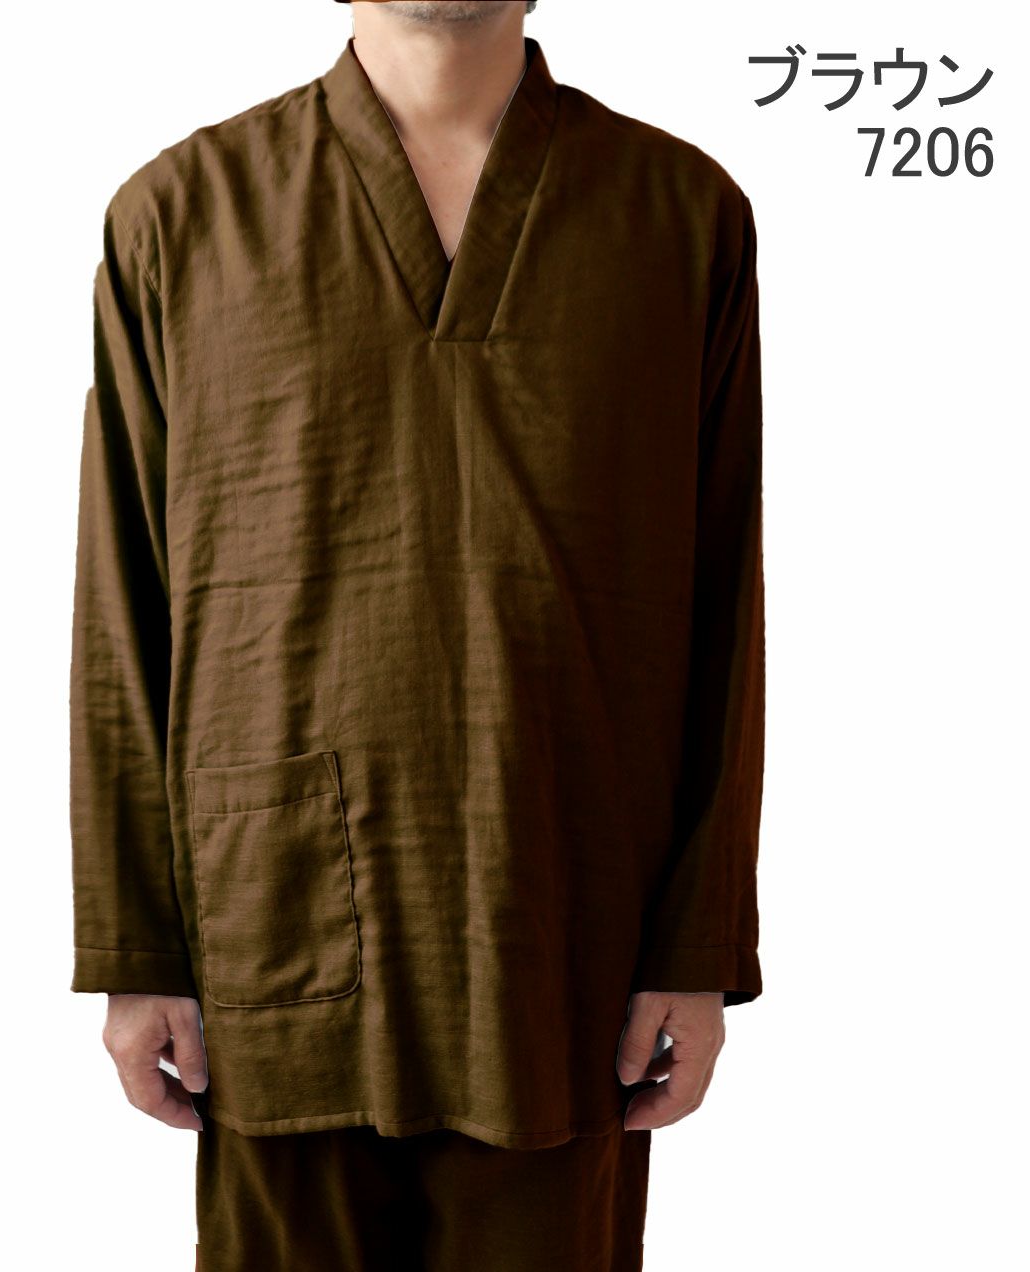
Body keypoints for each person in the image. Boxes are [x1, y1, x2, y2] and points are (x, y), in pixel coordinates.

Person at [68, 1, 767, 1268]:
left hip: (567, 928)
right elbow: (123, 598)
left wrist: (699, 941)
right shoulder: (179, 217)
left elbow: (723, 596)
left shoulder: (679, 215)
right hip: (269, 931)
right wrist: (135, 942)